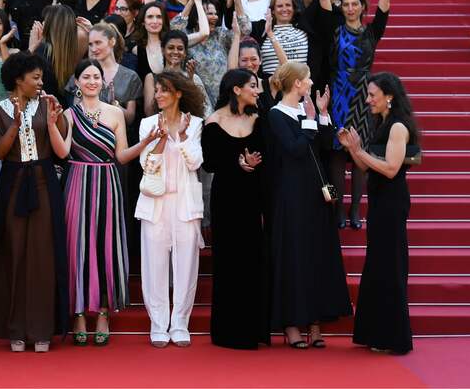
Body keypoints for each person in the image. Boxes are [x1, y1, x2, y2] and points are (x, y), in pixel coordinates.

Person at [51, 59, 155, 346]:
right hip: (77, 182)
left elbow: (121, 156)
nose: (92, 81)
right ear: (77, 82)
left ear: (104, 82)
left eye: (96, 76)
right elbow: (61, 151)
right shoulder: (69, 115)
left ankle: (104, 314)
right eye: (86, 77)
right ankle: (79, 314)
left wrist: (145, 143)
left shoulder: (116, 114)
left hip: (108, 183)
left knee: (105, 248)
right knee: (77, 248)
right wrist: (52, 122)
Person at [0, 52, 70, 352]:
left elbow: (61, 150)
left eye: (41, 77)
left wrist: (56, 119)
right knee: (12, 253)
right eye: (35, 77)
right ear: (18, 79)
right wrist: (16, 124)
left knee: (44, 255)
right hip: (13, 183)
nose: (40, 82)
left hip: (44, 182)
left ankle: (43, 329)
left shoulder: (49, 105)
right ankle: (15, 329)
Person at [267, 62, 351, 348]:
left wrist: (323, 115)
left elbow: (326, 147)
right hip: (291, 195)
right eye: (308, 78)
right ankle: (291, 324)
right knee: (294, 255)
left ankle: (315, 322)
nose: (312, 82)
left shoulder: (310, 110)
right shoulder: (276, 115)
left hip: (316, 194)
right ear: (297, 84)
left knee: (316, 254)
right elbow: (294, 149)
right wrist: (311, 122)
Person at [337, 72, 419, 355]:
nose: (369, 99)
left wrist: (359, 150)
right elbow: (368, 168)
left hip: (392, 203)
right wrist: (353, 150)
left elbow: (390, 168)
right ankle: (378, 333)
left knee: (389, 265)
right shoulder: (383, 123)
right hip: (381, 200)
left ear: (389, 97)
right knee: (379, 265)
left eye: (373, 95)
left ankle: (393, 337)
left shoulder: (397, 127)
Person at [323, 0, 401, 229]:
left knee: (360, 156)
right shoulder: (334, 27)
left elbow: (385, 2)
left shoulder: (371, 32)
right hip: (337, 96)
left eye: (355, 4)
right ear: (341, 7)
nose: (350, 8)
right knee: (333, 157)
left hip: (364, 98)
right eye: (346, 4)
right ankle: (336, 209)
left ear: (362, 7)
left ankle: (355, 209)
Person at [136, 71, 205, 348]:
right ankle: (158, 323)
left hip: (185, 203)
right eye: (157, 90)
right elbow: (146, 164)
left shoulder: (196, 123)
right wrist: (162, 139)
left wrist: (185, 136)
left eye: (165, 90)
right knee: (154, 264)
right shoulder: (147, 124)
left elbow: (195, 163)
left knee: (186, 265)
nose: (159, 94)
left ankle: (179, 323)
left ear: (178, 93)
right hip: (155, 202)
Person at [203, 69, 271, 349]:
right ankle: (228, 330)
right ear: (236, 89)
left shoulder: (259, 119)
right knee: (228, 260)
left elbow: (268, 155)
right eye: (252, 86)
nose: (257, 90)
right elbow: (209, 163)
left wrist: (254, 164)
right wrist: (238, 164)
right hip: (227, 198)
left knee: (252, 259)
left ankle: (254, 329)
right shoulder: (213, 121)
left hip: (252, 197)